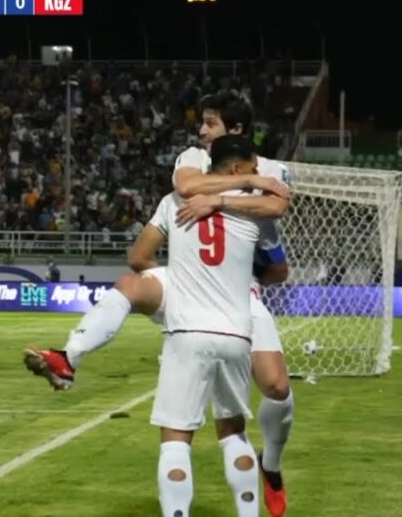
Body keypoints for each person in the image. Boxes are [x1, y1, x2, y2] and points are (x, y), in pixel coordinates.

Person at [24, 94, 293, 516]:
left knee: (272, 388)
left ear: (235, 132)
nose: (201, 132)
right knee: (135, 285)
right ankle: (69, 355)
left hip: (233, 298)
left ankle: (271, 466)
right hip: (228, 316)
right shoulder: (221, 171)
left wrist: (218, 201)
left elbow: (266, 225)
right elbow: (262, 199)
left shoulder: (201, 193)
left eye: (210, 124)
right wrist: (251, 189)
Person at [147, 135, 275, 516]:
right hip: (237, 333)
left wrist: (167, 282)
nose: (257, 174)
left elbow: (138, 254)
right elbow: (281, 204)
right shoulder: (254, 210)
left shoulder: (175, 202)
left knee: (175, 440)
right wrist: (255, 187)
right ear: (236, 169)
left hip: (187, 331)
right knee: (233, 433)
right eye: (253, 168)